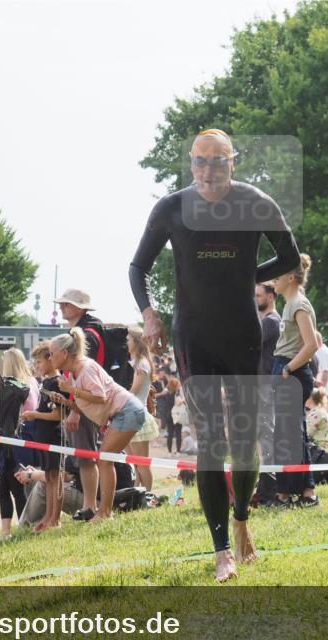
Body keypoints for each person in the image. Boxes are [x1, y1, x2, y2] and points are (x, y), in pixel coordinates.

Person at [129, 128, 301, 581]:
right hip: (194, 337)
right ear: (191, 163)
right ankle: (221, 548)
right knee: (211, 440)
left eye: (218, 161)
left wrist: (247, 274)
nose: (208, 170)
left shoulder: (256, 203)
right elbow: (138, 266)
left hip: (241, 334)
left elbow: (290, 258)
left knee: (244, 443)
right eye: (200, 161)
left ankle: (242, 516)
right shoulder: (171, 208)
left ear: (233, 162)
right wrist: (149, 314)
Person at [39, 328, 146, 521]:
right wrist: (65, 401)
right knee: (105, 459)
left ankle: (105, 513)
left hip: (127, 411)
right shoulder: (73, 373)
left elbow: (100, 396)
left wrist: (72, 390)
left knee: (105, 460)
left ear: (64, 354)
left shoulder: (85, 369)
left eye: (52, 353)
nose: (50, 357)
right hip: (123, 412)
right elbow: (85, 407)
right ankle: (104, 512)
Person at [270, 253, 320, 508]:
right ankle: (301, 491)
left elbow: (312, 344)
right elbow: (315, 340)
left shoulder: (298, 304)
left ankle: (292, 493)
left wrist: (288, 368)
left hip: (291, 371)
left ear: (290, 277)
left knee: (290, 435)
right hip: (287, 369)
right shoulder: (291, 304)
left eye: (277, 276)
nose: (273, 282)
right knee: (289, 434)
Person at [54, 289, 104, 518]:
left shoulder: (88, 335)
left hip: (86, 405)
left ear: (80, 308)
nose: (62, 307)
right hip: (84, 403)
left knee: (87, 457)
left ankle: (91, 506)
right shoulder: (86, 331)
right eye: (62, 304)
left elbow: (83, 376)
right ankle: (89, 505)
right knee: (85, 457)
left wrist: (74, 408)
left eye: (67, 304)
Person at [18, 341, 66, 530]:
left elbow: (58, 414)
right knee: (49, 477)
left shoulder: (56, 382)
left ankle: (56, 519)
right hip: (44, 437)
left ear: (50, 359)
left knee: (56, 477)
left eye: (39, 362)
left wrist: (34, 415)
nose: (37, 366)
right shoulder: (46, 382)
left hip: (54, 436)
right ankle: (48, 517)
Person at [0, 347, 39, 538]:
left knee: (13, 485)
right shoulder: (31, 382)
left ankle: (21, 527)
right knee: (6, 486)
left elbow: (19, 415)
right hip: (25, 438)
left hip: (16, 439)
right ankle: (10, 530)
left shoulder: (17, 387)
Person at [254, 282, 281, 505]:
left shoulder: (271, 321)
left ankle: (269, 488)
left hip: (266, 384)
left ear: (271, 296)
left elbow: (248, 342)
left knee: (266, 435)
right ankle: (265, 486)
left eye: (259, 295)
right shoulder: (265, 321)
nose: (255, 299)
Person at [126, 327, 159, 492]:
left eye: (129, 339)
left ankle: (148, 496)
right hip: (132, 414)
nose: (126, 342)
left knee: (142, 463)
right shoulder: (139, 363)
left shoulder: (142, 364)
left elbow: (134, 390)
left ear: (136, 342)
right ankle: (139, 492)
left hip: (137, 415)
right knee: (136, 462)